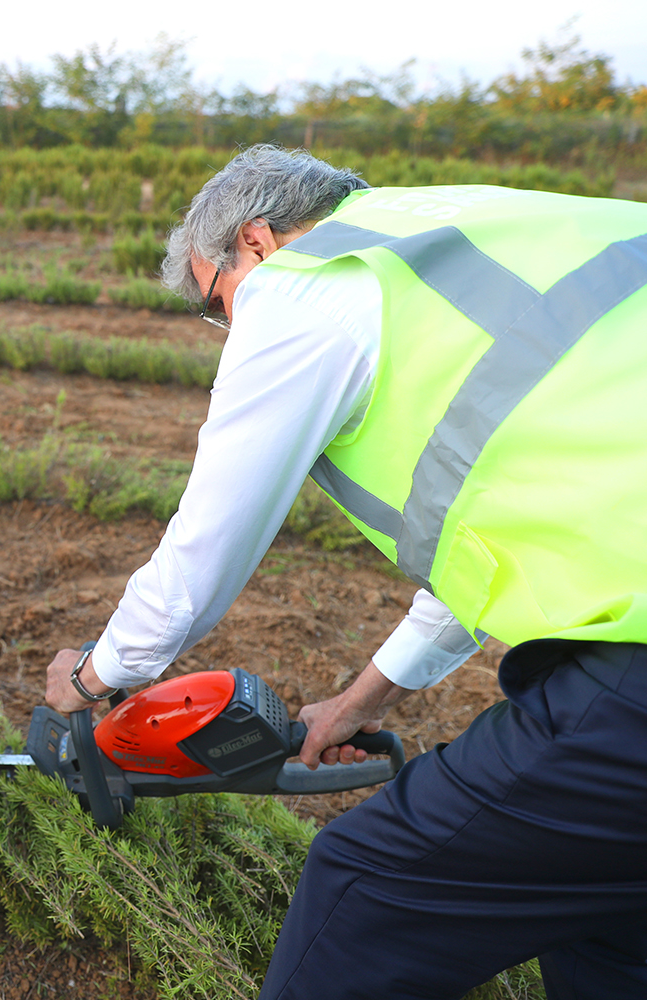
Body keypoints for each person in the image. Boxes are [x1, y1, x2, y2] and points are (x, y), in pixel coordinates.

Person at [42, 144, 647, 999]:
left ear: (254, 240)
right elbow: (494, 530)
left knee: (366, 885)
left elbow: (210, 535)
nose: (228, 328)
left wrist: (97, 674)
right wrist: (365, 700)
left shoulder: (305, 284)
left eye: (219, 303)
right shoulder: (461, 227)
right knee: (613, 928)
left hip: (635, 674)